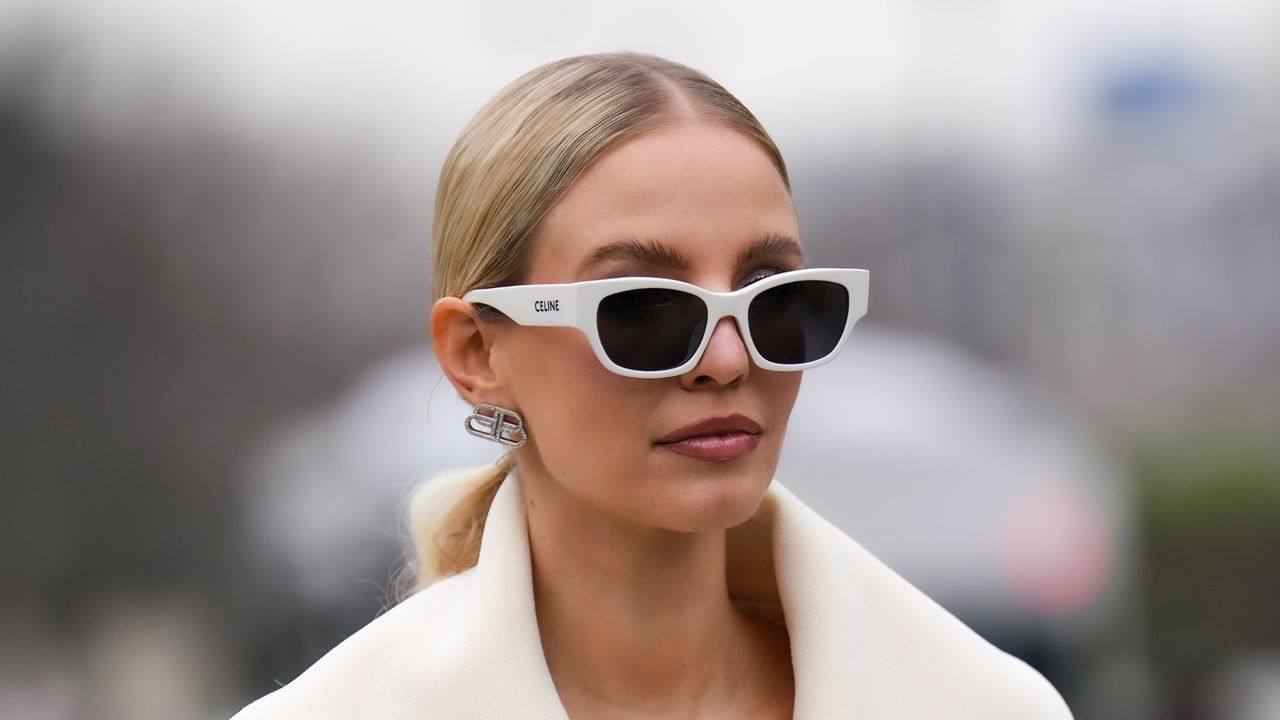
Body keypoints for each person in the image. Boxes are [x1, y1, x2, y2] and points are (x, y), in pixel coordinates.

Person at [232, 51, 1073, 719]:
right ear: (476, 354)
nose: (729, 358)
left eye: (781, 303)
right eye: (642, 312)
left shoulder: (985, 706)